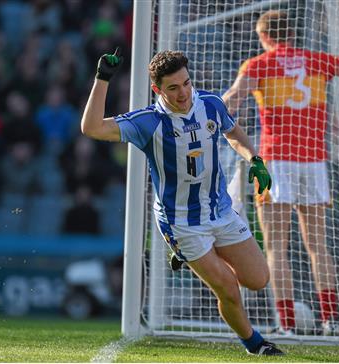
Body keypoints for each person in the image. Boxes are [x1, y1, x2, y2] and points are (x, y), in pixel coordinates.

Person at [81, 48, 283, 356]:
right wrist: (103, 79)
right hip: (181, 223)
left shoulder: (211, 104)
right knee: (228, 287)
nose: (183, 93)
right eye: (173, 88)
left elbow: (233, 131)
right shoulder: (148, 122)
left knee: (258, 279)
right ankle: (255, 344)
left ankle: (188, 257)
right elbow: (92, 128)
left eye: (186, 83)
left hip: (221, 211)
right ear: (157, 89)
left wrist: (254, 158)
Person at [222, 10, 339, 335]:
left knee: (277, 247)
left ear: (264, 37)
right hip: (313, 162)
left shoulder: (258, 65)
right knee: (318, 245)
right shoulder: (317, 60)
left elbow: (232, 98)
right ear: (291, 34)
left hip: (276, 162)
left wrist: (210, 110)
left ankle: (287, 325)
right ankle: (331, 319)